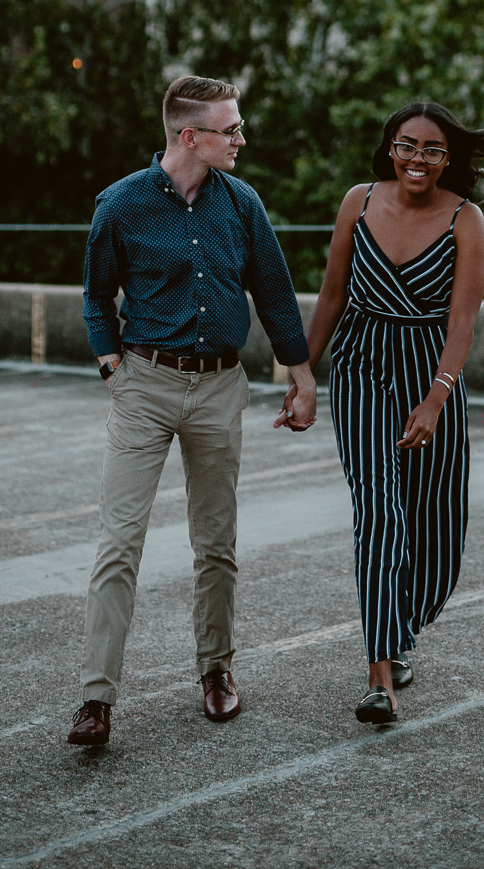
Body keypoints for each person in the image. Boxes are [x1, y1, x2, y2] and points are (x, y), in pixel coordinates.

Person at [67, 75, 316, 747]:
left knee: (216, 544)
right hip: (144, 384)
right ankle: (95, 699)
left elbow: (275, 292)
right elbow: (95, 295)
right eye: (230, 129)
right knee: (119, 543)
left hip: (218, 387)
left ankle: (216, 670)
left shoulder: (242, 204)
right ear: (190, 136)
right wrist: (112, 366)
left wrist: (302, 377)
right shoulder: (119, 204)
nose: (242, 138)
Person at [305, 101, 484, 724]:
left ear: (447, 160)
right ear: (389, 148)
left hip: (428, 372)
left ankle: (401, 624)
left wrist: (437, 397)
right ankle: (380, 677)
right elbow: (331, 293)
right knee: (377, 511)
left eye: (433, 150)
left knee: (434, 525)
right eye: (407, 146)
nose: (418, 159)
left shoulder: (466, 219)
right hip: (360, 364)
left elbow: (463, 319)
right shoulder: (357, 201)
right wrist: (302, 371)